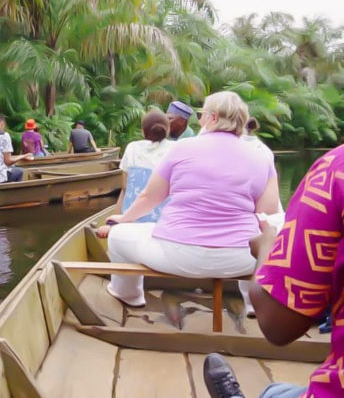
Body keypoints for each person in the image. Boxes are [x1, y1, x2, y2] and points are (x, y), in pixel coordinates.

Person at [100, 91, 280, 309]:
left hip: (177, 254)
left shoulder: (182, 148)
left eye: (201, 114)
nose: (200, 120)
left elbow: (150, 197)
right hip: (242, 258)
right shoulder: (263, 157)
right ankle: (255, 302)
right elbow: (268, 213)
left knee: (118, 235)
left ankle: (129, 295)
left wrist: (123, 219)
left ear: (213, 118)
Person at [203, 145, 344, 398]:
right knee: (280, 390)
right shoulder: (260, 154)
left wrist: (266, 245)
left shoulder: (337, 168)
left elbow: (278, 325)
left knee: (273, 393)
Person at [98, 110, 175, 237]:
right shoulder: (176, 148)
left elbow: (125, 189)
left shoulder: (132, 148)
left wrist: (112, 224)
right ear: (167, 130)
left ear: (143, 131)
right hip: (162, 227)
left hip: (130, 226)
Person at [0, 114, 34, 184]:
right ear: (2, 123)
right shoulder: (4, 135)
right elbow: (8, 161)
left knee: (12, 169)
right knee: (20, 171)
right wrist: (24, 156)